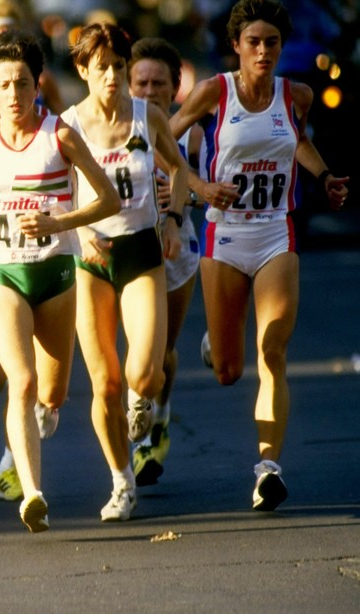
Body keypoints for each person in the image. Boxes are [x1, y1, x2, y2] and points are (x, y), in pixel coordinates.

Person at [0, 31, 119, 532]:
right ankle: (32, 492)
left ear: (38, 87)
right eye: (4, 84)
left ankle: (44, 419)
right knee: (23, 382)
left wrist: (59, 223)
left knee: (51, 396)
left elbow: (108, 201)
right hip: (3, 274)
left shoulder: (60, 136)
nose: (13, 94)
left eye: (23, 84)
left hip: (56, 274)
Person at [169, 0, 348, 512]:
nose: (264, 51)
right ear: (236, 47)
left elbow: (297, 142)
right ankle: (215, 342)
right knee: (227, 369)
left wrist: (324, 177)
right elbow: (165, 142)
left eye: (272, 42)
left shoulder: (297, 95)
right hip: (224, 239)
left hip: (275, 234)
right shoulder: (213, 93)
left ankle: (268, 468)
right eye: (254, 42)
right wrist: (200, 187)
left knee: (271, 350)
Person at [60, 22, 189, 522]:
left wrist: (174, 220)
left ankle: (147, 400)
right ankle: (121, 481)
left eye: (118, 67)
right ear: (82, 71)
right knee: (104, 383)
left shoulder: (148, 115)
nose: (112, 77)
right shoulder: (67, 126)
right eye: (102, 69)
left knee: (143, 371)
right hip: (91, 257)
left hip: (140, 250)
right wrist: (78, 233)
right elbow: (55, 194)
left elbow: (178, 169)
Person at [127, 37, 204, 487]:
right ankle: (134, 446)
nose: (150, 90)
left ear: (176, 87)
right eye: (141, 82)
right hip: (125, 252)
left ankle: (161, 414)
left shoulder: (191, 134)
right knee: (133, 354)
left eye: (160, 83)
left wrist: (184, 195)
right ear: (127, 83)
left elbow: (219, 192)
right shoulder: (114, 131)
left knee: (163, 354)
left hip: (175, 250)